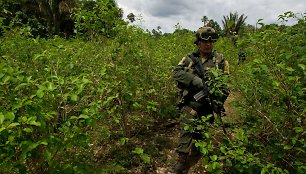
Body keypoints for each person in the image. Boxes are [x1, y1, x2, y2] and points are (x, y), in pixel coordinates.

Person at [171, 26, 229, 174]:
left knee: (201, 132)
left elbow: (225, 85)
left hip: (208, 105)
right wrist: (195, 80)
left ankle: (197, 150)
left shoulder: (220, 60)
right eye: (204, 41)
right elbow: (176, 72)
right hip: (191, 102)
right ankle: (182, 159)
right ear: (198, 42)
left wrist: (218, 101)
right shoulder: (189, 59)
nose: (208, 44)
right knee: (186, 127)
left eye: (211, 41)